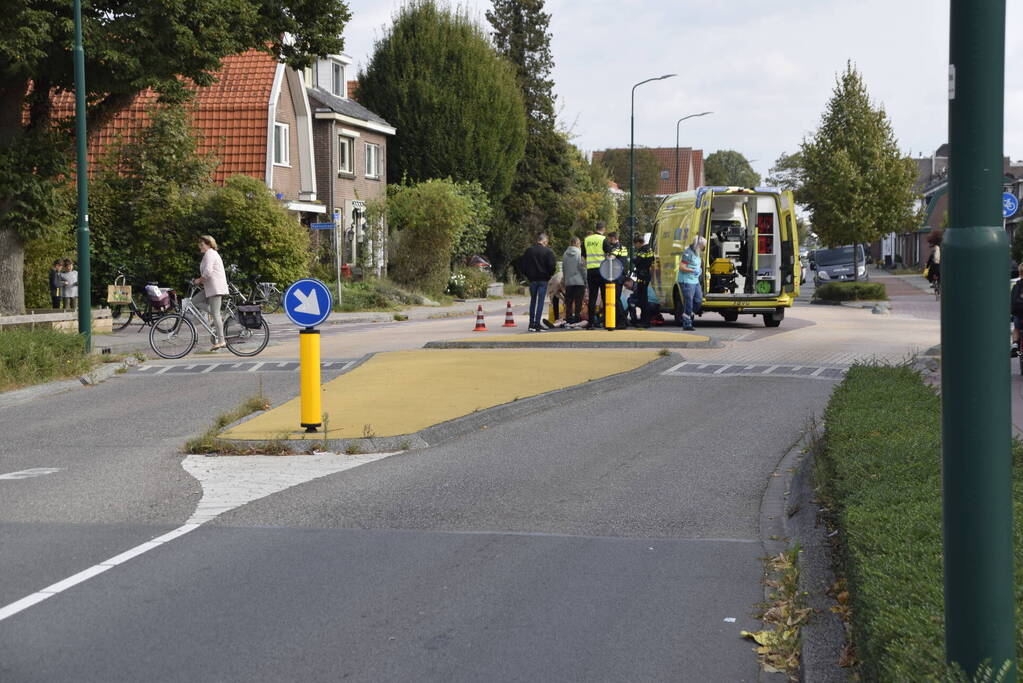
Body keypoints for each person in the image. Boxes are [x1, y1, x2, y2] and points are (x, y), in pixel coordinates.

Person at [194, 234, 229, 350]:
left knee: (215, 314)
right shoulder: (211, 253)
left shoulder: (210, 254)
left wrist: (199, 280)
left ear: (208, 244)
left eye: (202, 244)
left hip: (215, 288)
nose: (200, 246)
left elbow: (208, 271)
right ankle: (219, 317)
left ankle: (222, 341)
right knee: (195, 301)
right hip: (211, 287)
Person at [518, 233, 557, 332]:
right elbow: (552, 266)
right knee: (540, 302)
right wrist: (549, 275)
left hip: (532, 280)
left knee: (533, 301)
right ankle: (537, 324)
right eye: (547, 242)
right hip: (543, 280)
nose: (547, 244)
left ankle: (531, 324)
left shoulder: (529, 251)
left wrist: (528, 275)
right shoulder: (548, 252)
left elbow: (523, 265)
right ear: (544, 241)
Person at [677, 236, 706, 330]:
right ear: (698, 245)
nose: (703, 247)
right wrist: (693, 270)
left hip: (695, 280)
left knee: (698, 300)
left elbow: (696, 264)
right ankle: (687, 323)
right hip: (686, 280)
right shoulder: (688, 253)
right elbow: (681, 267)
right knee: (688, 301)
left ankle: (688, 314)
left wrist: (699, 270)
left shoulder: (697, 252)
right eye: (702, 245)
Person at [604, 232, 629, 329]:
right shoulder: (623, 247)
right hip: (621, 275)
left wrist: (606, 256)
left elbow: (611, 258)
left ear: (614, 238)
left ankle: (622, 321)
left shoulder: (616, 247)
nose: (609, 240)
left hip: (617, 276)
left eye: (610, 239)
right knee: (616, 298)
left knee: (615, 299)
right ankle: (623, 320)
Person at [562, 237, 586, 325]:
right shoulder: (579, 253)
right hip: (579, 282)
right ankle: (577, 318)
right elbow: (582, 268)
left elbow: (563, 268)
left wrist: (565, 279)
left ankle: (568, 318)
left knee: (569, 302)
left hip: (568, 282)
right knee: (578, 301)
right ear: (578, 243)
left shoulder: (565, 254)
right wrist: (585, 280)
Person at [632, 235, 654, 328]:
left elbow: (637, 261)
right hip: (646, 275)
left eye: (635, 244)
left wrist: (633, 259)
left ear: (638, 242)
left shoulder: (643, 250)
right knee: (643, 299)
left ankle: (645, 321)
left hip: (642, 276)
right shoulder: (649, 249)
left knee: (643, 300)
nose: (635, 246)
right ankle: (644, 320)